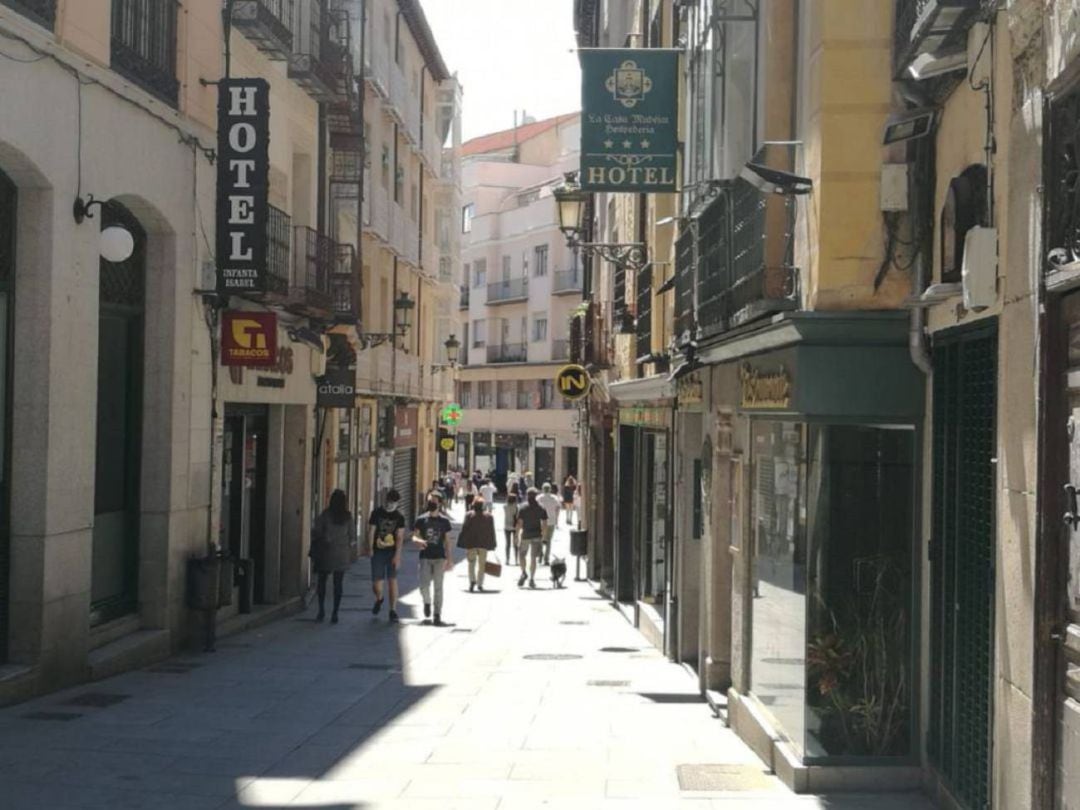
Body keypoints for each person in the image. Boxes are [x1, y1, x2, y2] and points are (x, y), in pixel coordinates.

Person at [310, 489, 356, 624]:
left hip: (326, 552)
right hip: (341, 554)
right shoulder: (348, 517)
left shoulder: (325, 514)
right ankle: (335, 612)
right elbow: (353, 537)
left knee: (322, 582)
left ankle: (321, 610)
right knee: (338, 584)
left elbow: (316, 530)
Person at [364, 490, 405, 622]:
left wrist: (398, 555)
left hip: (392, 552)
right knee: (377, 585)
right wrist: (370, 548)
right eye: (388, 501)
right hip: (377, 552)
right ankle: (379, 598)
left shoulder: (399, 517)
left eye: (393, 502)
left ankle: (393, 610)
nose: (390, 504)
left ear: (397, 503)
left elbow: (400, 537)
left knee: (392, 580)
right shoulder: (376, 513)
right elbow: (371, 531)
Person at [413, 496, 454, 626]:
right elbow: (414, 536)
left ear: (440, 504)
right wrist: (419, 540)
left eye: (435, 501)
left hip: (439, 557)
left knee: (438, 587)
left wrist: (449, 559)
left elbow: (447, 541)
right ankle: (427, 602)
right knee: (424, 585)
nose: (432, 503)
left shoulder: (444, 522)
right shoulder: (421, 520)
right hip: (425, 556)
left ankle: (437, 614)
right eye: (431, 501)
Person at [457, 499, 497, 592]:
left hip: (471, 543)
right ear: (483, 506)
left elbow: (464, 529)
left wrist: (461, 541)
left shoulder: (469, 515)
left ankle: (472, 581)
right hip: (483, 543)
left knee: (471, 563)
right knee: (482, 565)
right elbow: (491, 531)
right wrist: (493, 544)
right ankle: (480, 584)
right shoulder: (489, 516)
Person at [516, 488, 548, 589]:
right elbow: (544, 523)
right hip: (537, 535)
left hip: (526, 535)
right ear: (536, 496)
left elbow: (520, 523)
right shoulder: (541, 507)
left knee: (521, 555)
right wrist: (543, 535)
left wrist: (516, 535)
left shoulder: (523, 507)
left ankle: (524, 572)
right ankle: (532, 579)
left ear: (527, 495)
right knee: (533, 558)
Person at [536, 482, 562, 566]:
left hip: (541, 522)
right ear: (550, 489)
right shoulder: (554, 498)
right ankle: (546, 559)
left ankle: (540, 555)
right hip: (551, 521)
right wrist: (557, 519)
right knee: (549, 541)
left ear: (543, 489)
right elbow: (558, 509)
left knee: (540, 539)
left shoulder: (539, 498)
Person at [503, 492, 520, 564]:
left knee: (508, 544)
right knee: (515, 544)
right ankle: (516, 560)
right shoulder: (517, 507)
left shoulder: (505, 506)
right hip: (515, 526)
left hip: (507, 526)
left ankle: (507, 559)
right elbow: (518, 516)